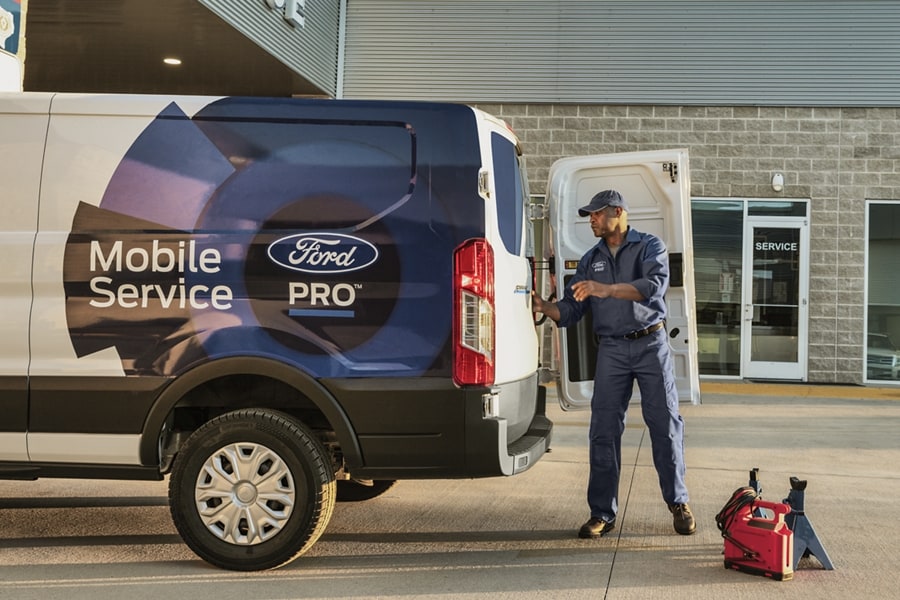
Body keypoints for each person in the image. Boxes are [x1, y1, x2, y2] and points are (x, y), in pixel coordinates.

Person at [532, 189, 695, 538]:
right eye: (589, 214)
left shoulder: (650, 246)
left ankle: (678, 503)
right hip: (612, 352)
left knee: (665, 425)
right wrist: (546, 309)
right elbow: (572, 308)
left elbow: (653, 286)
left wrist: (606, 290)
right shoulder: (592, 259)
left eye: (596, 213)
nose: (590, 218)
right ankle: (602, 513)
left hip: (651, 344)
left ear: (618, 212)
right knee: (603, 431)